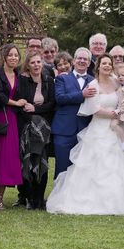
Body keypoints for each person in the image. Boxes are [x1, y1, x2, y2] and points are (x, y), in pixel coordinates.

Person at [46, 54, 124, 215]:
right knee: (94, 165)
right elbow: (95, 109)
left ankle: (122, 200)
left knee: (119, 164)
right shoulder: (93, 84)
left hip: (115, 130)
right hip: (99, 128)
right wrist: (115, 113)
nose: (107, 66)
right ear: (98, 66)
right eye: (104, 64)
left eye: (109, 64)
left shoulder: (117, 81)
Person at [0, 44, 24, 210]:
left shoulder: (18, 76)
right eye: (10, 55)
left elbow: (23, 95)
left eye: (16, 55)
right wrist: (17, 103)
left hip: (12, 121)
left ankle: (1, 196)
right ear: (5, 57)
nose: (13, 58)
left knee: (6, 159)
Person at [16, 52, 56, 210]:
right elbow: (21, 105)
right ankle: (29, 198)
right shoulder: (23, 81)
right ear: (28, 65)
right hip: (26, 127)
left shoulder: (49, 81)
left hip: (44, 128)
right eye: (33, 62)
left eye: (39, 62)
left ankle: (40, 198)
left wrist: (36, 108)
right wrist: (31, 112)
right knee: (28, 161)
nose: (36, 65)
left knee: (42, 162)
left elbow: (52, 103)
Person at [52, 47, 96, 178]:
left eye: (85, 59)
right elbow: (59, 98)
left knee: (82, 169)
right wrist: (81, 95)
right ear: (74, 61)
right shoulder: (62, 79)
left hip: (85, 129)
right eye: (79, 58)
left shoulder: (93, 81)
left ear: (89, 63)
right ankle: (59, 197)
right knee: (62, 167)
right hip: (64, 129)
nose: (82, 61)